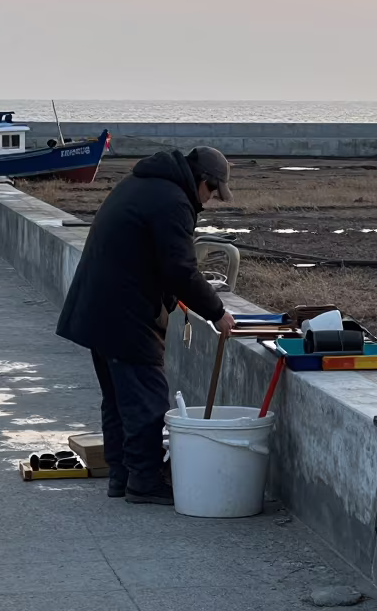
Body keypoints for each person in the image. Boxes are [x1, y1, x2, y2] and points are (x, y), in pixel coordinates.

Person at [56, 146, 237, 504]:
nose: (210, 200)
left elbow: (152, 258)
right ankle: (144, 482)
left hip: (99, 306)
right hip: (125, 312)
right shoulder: (173, 201)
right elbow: (180, 269)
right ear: (202, 181)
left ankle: (121, 477)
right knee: (147, 400)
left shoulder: (143, 184)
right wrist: (217, 312)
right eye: (212, 192)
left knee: (118, 399)